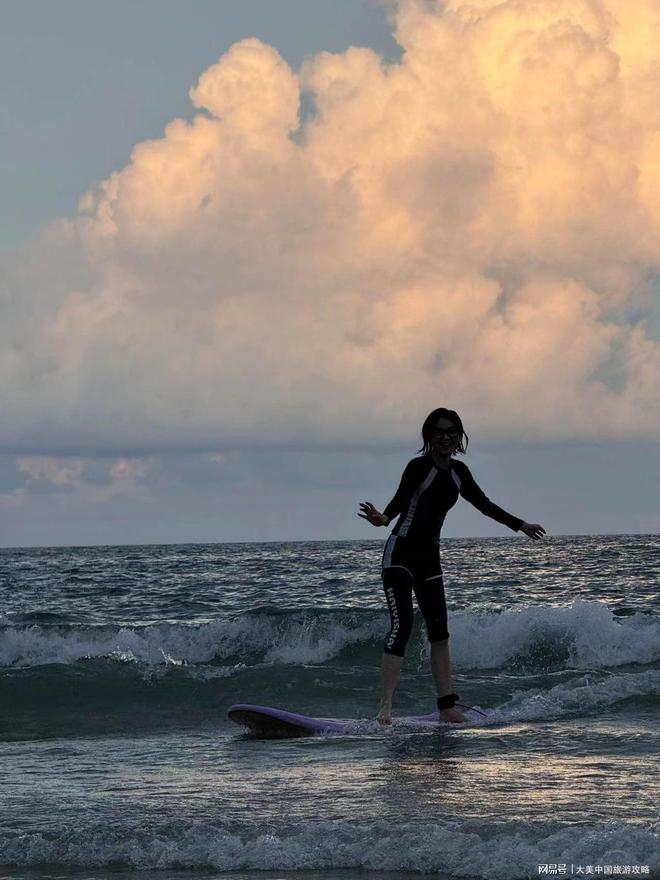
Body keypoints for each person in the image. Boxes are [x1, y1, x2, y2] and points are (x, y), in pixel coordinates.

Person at [358, 408, 545, 725]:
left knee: (440, 634)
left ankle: (446, 707)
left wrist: (520, 524)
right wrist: (384, 519)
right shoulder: (419, 467)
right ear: (429, 436)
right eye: (439, 431)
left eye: (451, 431)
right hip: (400, 554)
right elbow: (401, 499)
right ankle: (385, 709)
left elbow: (484, 505)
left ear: (459, 436)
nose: (445, 436)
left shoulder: (459, 473)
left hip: (430, 559)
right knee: (402, 626)